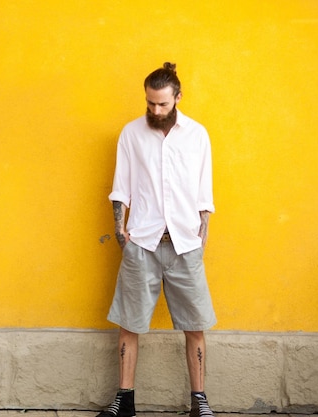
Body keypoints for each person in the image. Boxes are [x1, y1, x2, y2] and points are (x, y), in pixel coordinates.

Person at [98, 62, 217, 417]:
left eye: (163, 104)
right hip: (142, 245)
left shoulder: (197, 135)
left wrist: (201, 238)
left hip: (185, 244)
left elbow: (204, 194)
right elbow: (121, 189)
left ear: (178, 98)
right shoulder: (132, 134)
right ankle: (124, 401)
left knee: (194, 325)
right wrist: (123, 236)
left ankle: (199, 402)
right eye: (150, 103)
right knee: (129, 324)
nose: (155, 110)